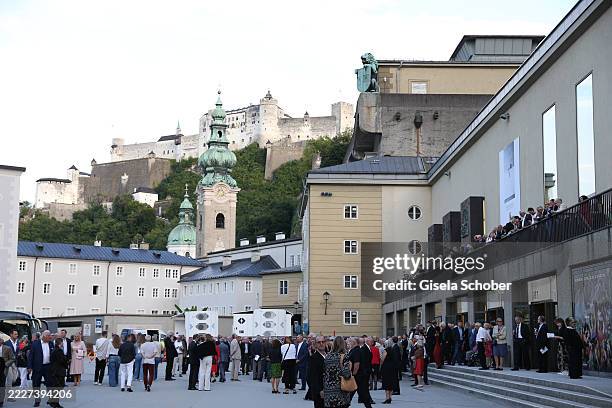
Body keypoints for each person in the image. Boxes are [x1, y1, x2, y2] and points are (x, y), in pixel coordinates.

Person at [323, 336, 352, 408]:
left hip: (328, 390)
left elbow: (324, 371)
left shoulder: (328, 356)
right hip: (340, 390)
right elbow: (346, 374)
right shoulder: (345, 356)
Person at [28, 330, 54, 407]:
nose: (50, 337)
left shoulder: (51, 343)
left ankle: (51, 400)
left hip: (48, 367)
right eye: (49, 336)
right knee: (36, 384)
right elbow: (30, 356)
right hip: (37, 367)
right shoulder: (35, 344)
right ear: (44, 336)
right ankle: (37, 400)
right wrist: (29, 367)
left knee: (50, 384)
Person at [48, 337, 68, 408]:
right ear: (60, 343)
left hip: (55, 371)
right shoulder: (59, 351)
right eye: (62, 342)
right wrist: (66, 362)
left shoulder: (54, 350)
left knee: (56, 387)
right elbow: (62, 361)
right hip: (59, 371)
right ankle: (55, 403)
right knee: (59, 387)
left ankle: (52, 401)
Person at [354, 337, 373, 408]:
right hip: (363, 372)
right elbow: (362, 362)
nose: (372, 343)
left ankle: (364, 400)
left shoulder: (365, 348)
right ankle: (366, 400)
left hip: (364, 372)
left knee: (363, 389)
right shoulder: (363, 349)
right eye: (371, 341)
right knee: (363, 389)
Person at [309, 336, 326, 408]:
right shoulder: (313, 357)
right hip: (320, 391)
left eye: (323, 342)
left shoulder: (328, 355)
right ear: (315, 344)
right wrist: (319, 390)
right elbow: (313, 376)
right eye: (319, 342)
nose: (321, 344)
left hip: (329, 389)